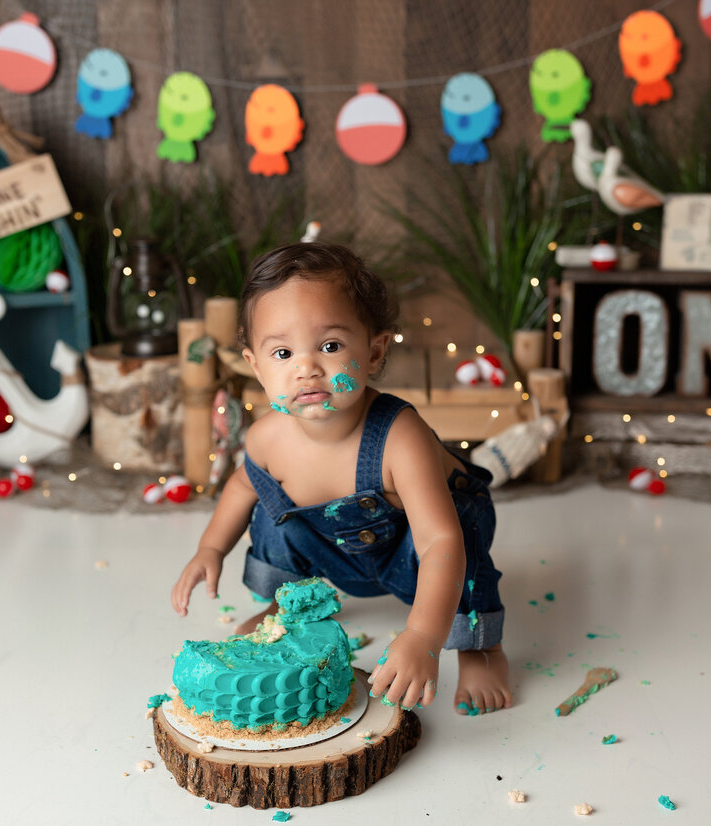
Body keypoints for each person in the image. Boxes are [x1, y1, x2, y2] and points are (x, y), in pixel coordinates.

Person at [170, 242, 511, 716]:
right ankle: (287, 605)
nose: (306, 367)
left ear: (373, 352)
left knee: (461, 545)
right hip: (339, 555)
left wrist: (421, 637)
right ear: (256, 366)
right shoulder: (268, 437)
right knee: (274, 514)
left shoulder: (399, 435)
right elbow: (242, 487)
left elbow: (439, 541)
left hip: (417, 546)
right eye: (283, 352)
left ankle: (480, 648)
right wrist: (210, 549)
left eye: (330, 346)